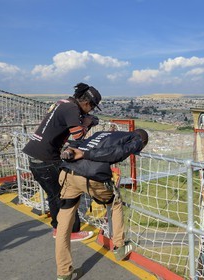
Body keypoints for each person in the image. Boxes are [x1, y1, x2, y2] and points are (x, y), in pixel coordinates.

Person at [55, 129, 149, 280]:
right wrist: (136, 144)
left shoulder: (106, 133)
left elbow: (81, 145)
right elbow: (118, 152)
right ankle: (119, 246)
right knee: (115, 202)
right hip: (91, 177)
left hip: (68, 172)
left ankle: (63, 272)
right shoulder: (135, 139)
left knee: (64, 223)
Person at [22, 82, 102, 241]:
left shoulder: (63, 103)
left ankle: (58, 229)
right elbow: (78, 136)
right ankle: (69, 232)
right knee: (65, 194)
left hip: (37, 155)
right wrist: (87, 123)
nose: (91, 110)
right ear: (86, 103)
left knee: (54, 194)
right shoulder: (72, 109)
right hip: (45, 158)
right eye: (92, 107)